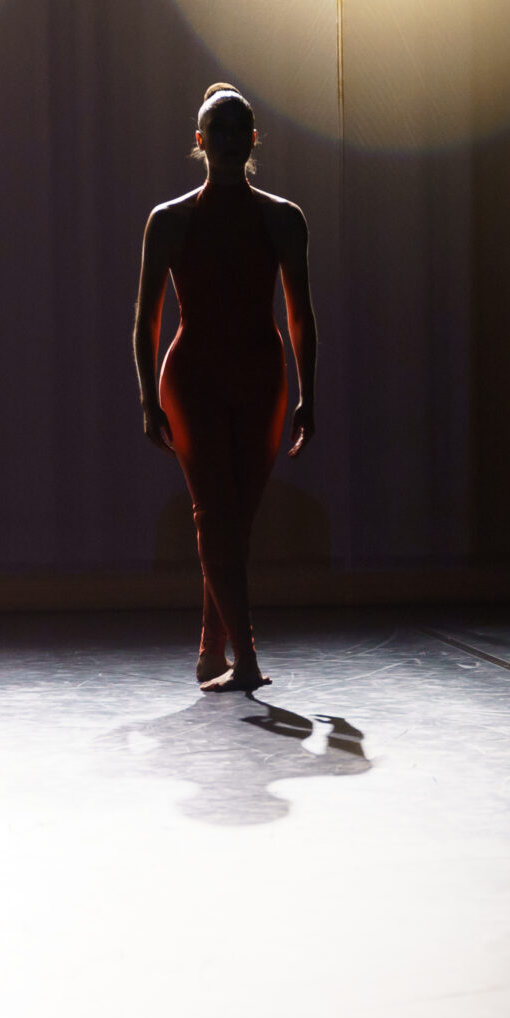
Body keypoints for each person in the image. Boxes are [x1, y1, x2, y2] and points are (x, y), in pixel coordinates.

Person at [134, 84, 317, 692]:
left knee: (236, 521)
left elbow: (300, 315)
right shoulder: (169, 220)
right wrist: (147, 398)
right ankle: (248, 660)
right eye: (221, 129)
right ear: (200, 140)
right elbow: (146, 319)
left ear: (255, 139)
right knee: (215, 512)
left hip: (261, 379)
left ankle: (211, 652)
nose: (232, 138)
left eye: (241, 128)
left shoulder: (283, 218)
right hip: (193, 381)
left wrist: (308, 395)